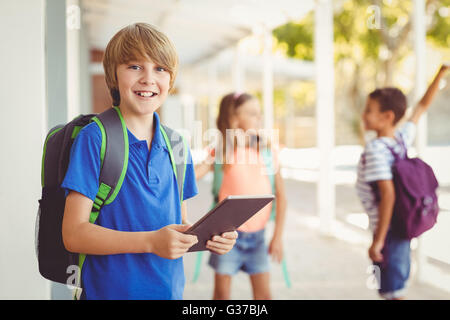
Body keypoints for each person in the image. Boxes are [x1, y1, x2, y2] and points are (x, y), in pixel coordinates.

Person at [61, 23, 237, 300]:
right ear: (113, 76)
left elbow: (178, 222)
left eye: (160, 69)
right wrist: (150, 241)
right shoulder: (95, 139)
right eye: (134, 66)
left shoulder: (177, 143)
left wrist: (209, 237)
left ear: (171, 79)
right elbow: (74, 233)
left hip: (167, 292)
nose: (148, 78)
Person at [356, 64, 449, 300]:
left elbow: (388, 195)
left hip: (388, 231)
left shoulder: (377, 149)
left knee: (392, 292)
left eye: (369, 110)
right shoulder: (400, 139)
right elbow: (421, 107)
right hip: (401, 225)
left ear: (387, 117)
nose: (364, 115)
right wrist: (440, 74)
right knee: (394, 287)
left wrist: (377, 241)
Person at [195, 92, 287, 300]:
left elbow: (281, 196)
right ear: (234, 118)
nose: (259, 119)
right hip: (225, 237)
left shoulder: (267, 151)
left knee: (264, 297)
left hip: (258, 239)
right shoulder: (222, 152)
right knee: (222, 296)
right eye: (253, 114)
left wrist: (278, 237)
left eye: (259, 114)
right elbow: (192, 177)